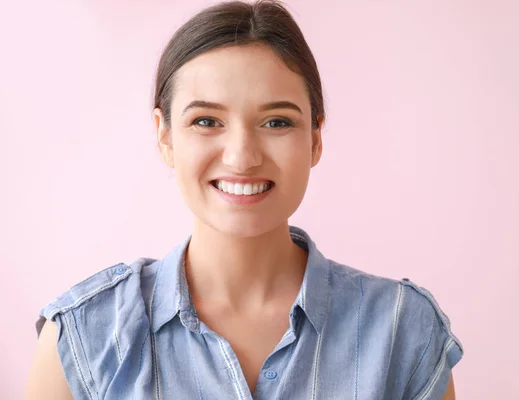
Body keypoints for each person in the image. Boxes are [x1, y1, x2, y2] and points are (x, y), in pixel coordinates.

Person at [25, 1, 463, 399]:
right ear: (164, 136)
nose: (242, 157)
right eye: (206, 120)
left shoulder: (404, 332)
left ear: (315, 138)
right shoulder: (83, 338)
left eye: (276, 121)